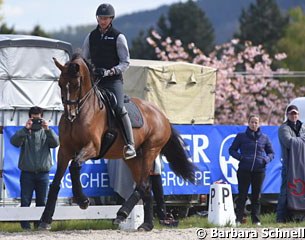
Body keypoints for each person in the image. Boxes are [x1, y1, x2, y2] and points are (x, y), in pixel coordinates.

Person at [82, 3, 136, 160]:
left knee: (119, 108)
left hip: (113, 81)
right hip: (96, 80)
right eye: (100, 18)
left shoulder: (118, 37)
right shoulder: (91, 36)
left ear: (111, 19)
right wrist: (91, 70)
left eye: (105, 18)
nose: (102, 21)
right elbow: (84, 58)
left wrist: (110, 71)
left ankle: (130, 144)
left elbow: (125, 62)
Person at [10, 106, 59, 230]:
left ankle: (39, 225)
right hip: (27, 173)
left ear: (42, 118)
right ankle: (25, 226)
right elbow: (14, 142)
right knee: (25, 201)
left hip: (43, 173)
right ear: (29, 118)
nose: (37, 121)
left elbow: (56, 143)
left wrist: (48, 129)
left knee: (42, 201)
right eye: (34, 119)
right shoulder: (25, 132)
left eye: (38, 119)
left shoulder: (46, 131)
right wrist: (25, 129)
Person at [229, 114, 274, 225]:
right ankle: (238, 220)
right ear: (248, 123)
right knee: (242, 196)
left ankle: (256, 220)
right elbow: (232, 150)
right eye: (252, 122)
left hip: (259, 171)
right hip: (244, 170)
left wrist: (266, 159)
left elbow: (271, 153)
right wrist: (241, 158)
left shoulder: (264, 138)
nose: (254, 124)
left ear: (259, 124)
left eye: (256, 122)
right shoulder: (241, 136)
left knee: (256, 196)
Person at [276, 104, 305, 223]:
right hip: (289, 165)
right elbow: (288, 142)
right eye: (292, 113)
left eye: (296, 113)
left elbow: (294, 141)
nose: (294, 115)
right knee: (285, 191)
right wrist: (302, 140)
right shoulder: (283, 128)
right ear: (287, 115)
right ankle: (281, 218)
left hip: (302, 164)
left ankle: (299, 216)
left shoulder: (302, 127)